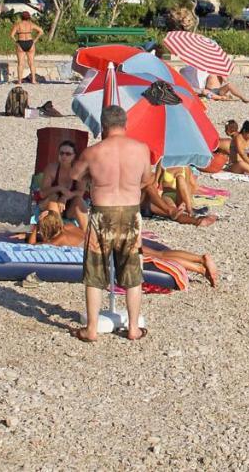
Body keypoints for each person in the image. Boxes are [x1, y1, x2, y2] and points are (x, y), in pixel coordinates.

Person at [66, 105, 153, 342]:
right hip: (131, 214)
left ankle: (92, 329)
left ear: (103, 126)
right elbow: (147, 179)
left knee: (95, 271)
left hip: (102, 213)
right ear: (126, 124)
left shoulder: (93, 152)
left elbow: (74, 176)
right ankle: (133, 328)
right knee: (133, 271)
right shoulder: (141, 149)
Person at [23, 210, 219, 287]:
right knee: (159, 253)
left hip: (108, 248)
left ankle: (200, 265)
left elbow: (32, 247)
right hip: (109, 235)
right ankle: (200, 262)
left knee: (157, 257)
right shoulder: (69, 227)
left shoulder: (56, 242)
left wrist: (34, 228)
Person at [37, 140, 88, 231]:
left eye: (68, 154)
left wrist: (65, 197)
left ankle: (86, 235)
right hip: (50, 204)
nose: (64, 156)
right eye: (61, 153)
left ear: (74, 156)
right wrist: (59, 188)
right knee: (54, 196)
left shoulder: (79, 171)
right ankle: (55, 230)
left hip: (68, 207)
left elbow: (81, 192)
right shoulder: (51, 169)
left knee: (79, 200)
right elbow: (42, 194)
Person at [10, 12, 44, 85]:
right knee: (31, 63)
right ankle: (33, 80)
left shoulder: (18, 25)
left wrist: (16, 42)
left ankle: (19, 81)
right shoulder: (31, 24)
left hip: (21, 42)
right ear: (29, 17)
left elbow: (12, 35)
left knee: (20, 63)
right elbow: (41, 31)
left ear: (21, 17)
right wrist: (35, 40)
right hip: (30, 43)